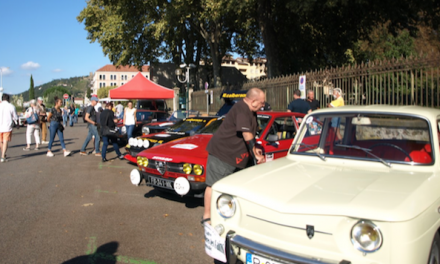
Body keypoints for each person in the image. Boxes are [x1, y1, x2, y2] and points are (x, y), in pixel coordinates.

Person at [202, 88, 266, 225]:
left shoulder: (251, 111)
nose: (263, 105)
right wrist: (255, 152)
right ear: (253, 101)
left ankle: (231, 213)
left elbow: (252, 134)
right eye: (262, 103)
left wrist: (256, 148)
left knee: (236, 186)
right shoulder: (242, 108)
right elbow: (246, 134)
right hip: (222, 153)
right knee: (213, 185)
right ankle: (207, 217)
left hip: (236, 155)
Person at [0, 94, 19, 162]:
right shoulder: (11, 106)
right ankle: (3, 156)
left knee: (1, 141)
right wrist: (17, 124)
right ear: (8, 99)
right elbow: (15, 117)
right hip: (7, 126)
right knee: (5, 141)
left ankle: (3, 154)